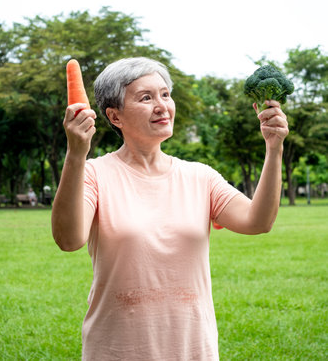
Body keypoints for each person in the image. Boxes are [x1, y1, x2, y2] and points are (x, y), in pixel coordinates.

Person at [51, 57, 289, 361]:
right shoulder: (94, 174)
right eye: (146, 98)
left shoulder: (200, 177)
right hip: (116, 350)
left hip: (192, 349)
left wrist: (274, 147)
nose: (162, 105)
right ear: (115, 116)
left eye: (165, 94)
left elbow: (258, 221)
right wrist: (76, 154)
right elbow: (68, 240)